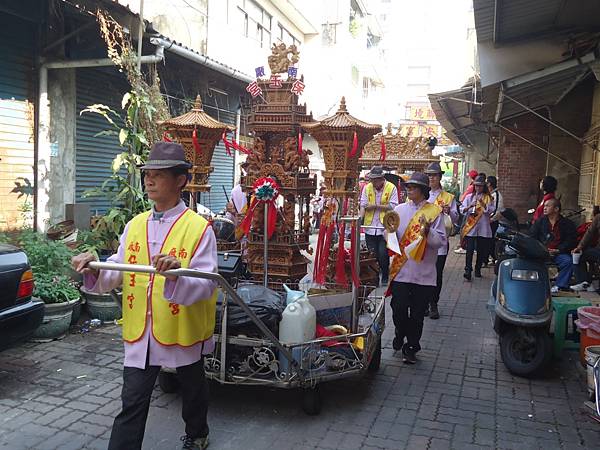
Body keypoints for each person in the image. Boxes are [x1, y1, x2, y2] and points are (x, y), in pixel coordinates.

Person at [72, 142, 217, 450]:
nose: (149, 180)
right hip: (142, 329)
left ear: (180, 181)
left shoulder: (199, 229)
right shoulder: (135, 225)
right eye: (147, 174)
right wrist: (94, 268)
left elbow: (206, 283)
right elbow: (117, 268)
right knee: (133, 399)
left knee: (192, 388)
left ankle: (197, 434)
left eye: (158, 175)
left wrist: (177, 273)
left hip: (180, 326)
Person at [388, 172, 445, 363]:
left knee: (418, 314)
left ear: (423, 190)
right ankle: (399, 331)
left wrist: (427, 231)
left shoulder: (434, 212)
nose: (409, 190)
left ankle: (411, 347)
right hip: (402, 271)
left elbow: (440, 243)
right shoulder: (399, 209)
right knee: (398, 309)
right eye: (408, 187)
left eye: (413, 187)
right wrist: (389, 234)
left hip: (424, 273)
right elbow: (390, 238)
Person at [424, 162, 458, 320]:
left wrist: (449, 211)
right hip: (423, 241)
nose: (432, 178)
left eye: (434, 175)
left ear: (440, 177)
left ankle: (433, 304)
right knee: (423, 272)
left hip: (440, 243)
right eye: (429, 175)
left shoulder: (448, 198)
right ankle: (423, 303)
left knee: (436, 275)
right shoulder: (422, 195)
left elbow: (456, 218)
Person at [360, 165, 399, 285]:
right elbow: (363, 204)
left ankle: (385, 275)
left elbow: (393, 206)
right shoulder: (367, 188)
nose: (373, 182)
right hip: (370, 227)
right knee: (372, 254)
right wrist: (359, 220)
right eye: (372, 179)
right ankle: (375, 278)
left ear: (381, 178)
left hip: (384, 227)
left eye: (375, 179)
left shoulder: (391, 188)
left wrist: (376, 207)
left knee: (383, 254)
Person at [529, 198, 576, 293]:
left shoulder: (567, 223)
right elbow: (532, 237)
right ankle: (536, 284)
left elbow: (570, 241)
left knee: (568, 262)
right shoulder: (540, 222)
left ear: (556, 209)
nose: (544, 208)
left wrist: (558, 250)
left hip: (558, 253)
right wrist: (541, 249)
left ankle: (560, 286)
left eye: (547, 206)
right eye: (544, 206)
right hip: (542, 253)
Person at [460, 174, 494, 280]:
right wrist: (470, 206)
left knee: (481, 250)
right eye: (476, 186)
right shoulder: (470, 197)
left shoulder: (488, 198)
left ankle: (478, 268)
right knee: (469, 249)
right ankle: (468, 270)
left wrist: (483, 205)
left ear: (483, 186)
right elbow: (462, 209)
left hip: (483, 227)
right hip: (471, 226)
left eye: (480, 186)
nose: (477, 188)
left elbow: (491, 211)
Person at [571, 208, 600, 292]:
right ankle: (584, 283)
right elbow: (589, 234)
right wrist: (579, 247)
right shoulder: (598, 218)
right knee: (579, 255)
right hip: (598, 250)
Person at [487, 175, 504, 263]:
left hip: (492, 222)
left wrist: (490, 219)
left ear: (489, 183)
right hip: (488, 221)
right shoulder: (490, 194)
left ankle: (494, 258)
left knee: (490, 241)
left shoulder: (496, 195)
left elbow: (497, 210)